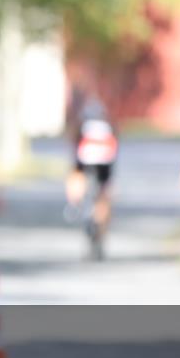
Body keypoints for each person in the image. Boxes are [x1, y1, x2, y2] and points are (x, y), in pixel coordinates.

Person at [64, 92, 118, 247]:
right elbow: (115, 141)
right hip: (105, 159)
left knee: (76, 174)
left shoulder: (82, 123)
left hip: (86, 157)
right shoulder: (107, 123)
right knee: (104, 191)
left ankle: (74, 203)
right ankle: (101, 218)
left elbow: (74, 141)